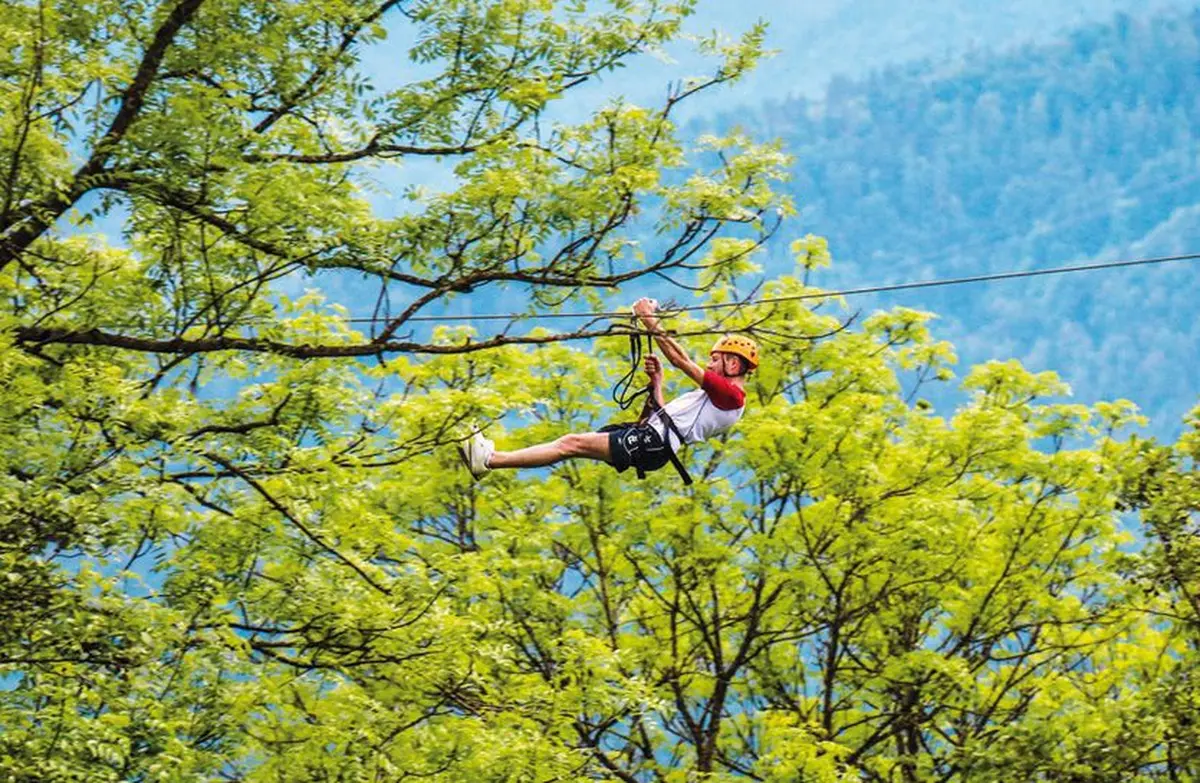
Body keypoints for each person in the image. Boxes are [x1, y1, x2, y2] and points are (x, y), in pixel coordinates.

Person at [457, 297, 758, 481]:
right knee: (569, 443)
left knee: (570, 444)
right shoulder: (717, 400)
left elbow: (681, 359)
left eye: (715, 359)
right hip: (653, 440)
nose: (709, 364)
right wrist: (657, 385)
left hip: (652, 443)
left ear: (733, 364)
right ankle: (490, 459)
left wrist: (650, 320)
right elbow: (668, 420)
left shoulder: (731, 396)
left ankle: (491, 460)